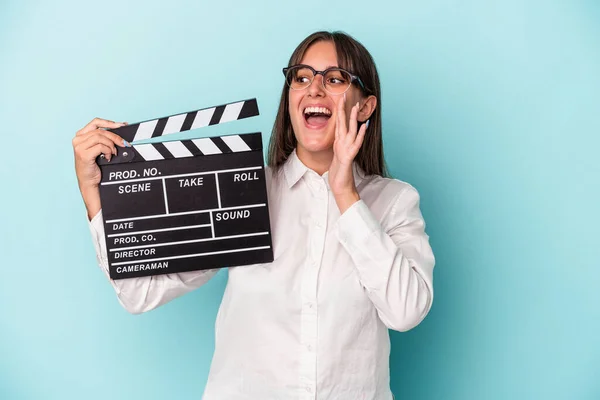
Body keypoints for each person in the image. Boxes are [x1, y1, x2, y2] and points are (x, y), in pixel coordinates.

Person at [72, 30, 435, 400]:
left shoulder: (394, 202)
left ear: (366, 106)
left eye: (336, 79)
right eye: (302, 77)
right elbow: (140, 293)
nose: (314, 89)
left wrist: (345, 193)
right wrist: (93, 192)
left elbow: (405, 311)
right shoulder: (243, 192)